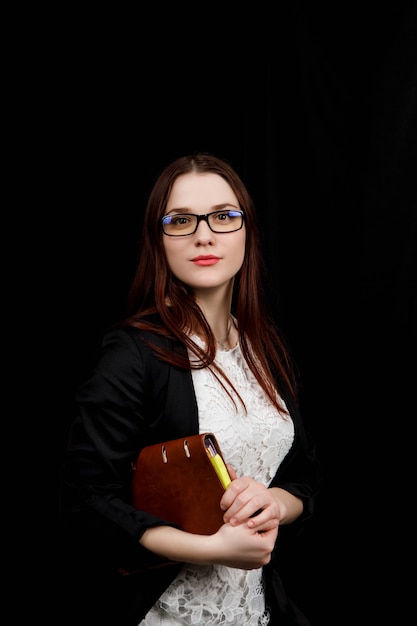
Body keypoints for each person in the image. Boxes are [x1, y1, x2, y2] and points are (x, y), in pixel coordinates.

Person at [59, 153, 321, 626]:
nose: (204, 234)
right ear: (158, 239)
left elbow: (304, 474)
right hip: (164, 612)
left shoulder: (263, 346)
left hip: (259, 610)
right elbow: (87, 497)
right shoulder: (133, 352)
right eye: (181, 220)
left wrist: (275, 504)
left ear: (248, 231)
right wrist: (211, 548)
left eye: (223, 216)